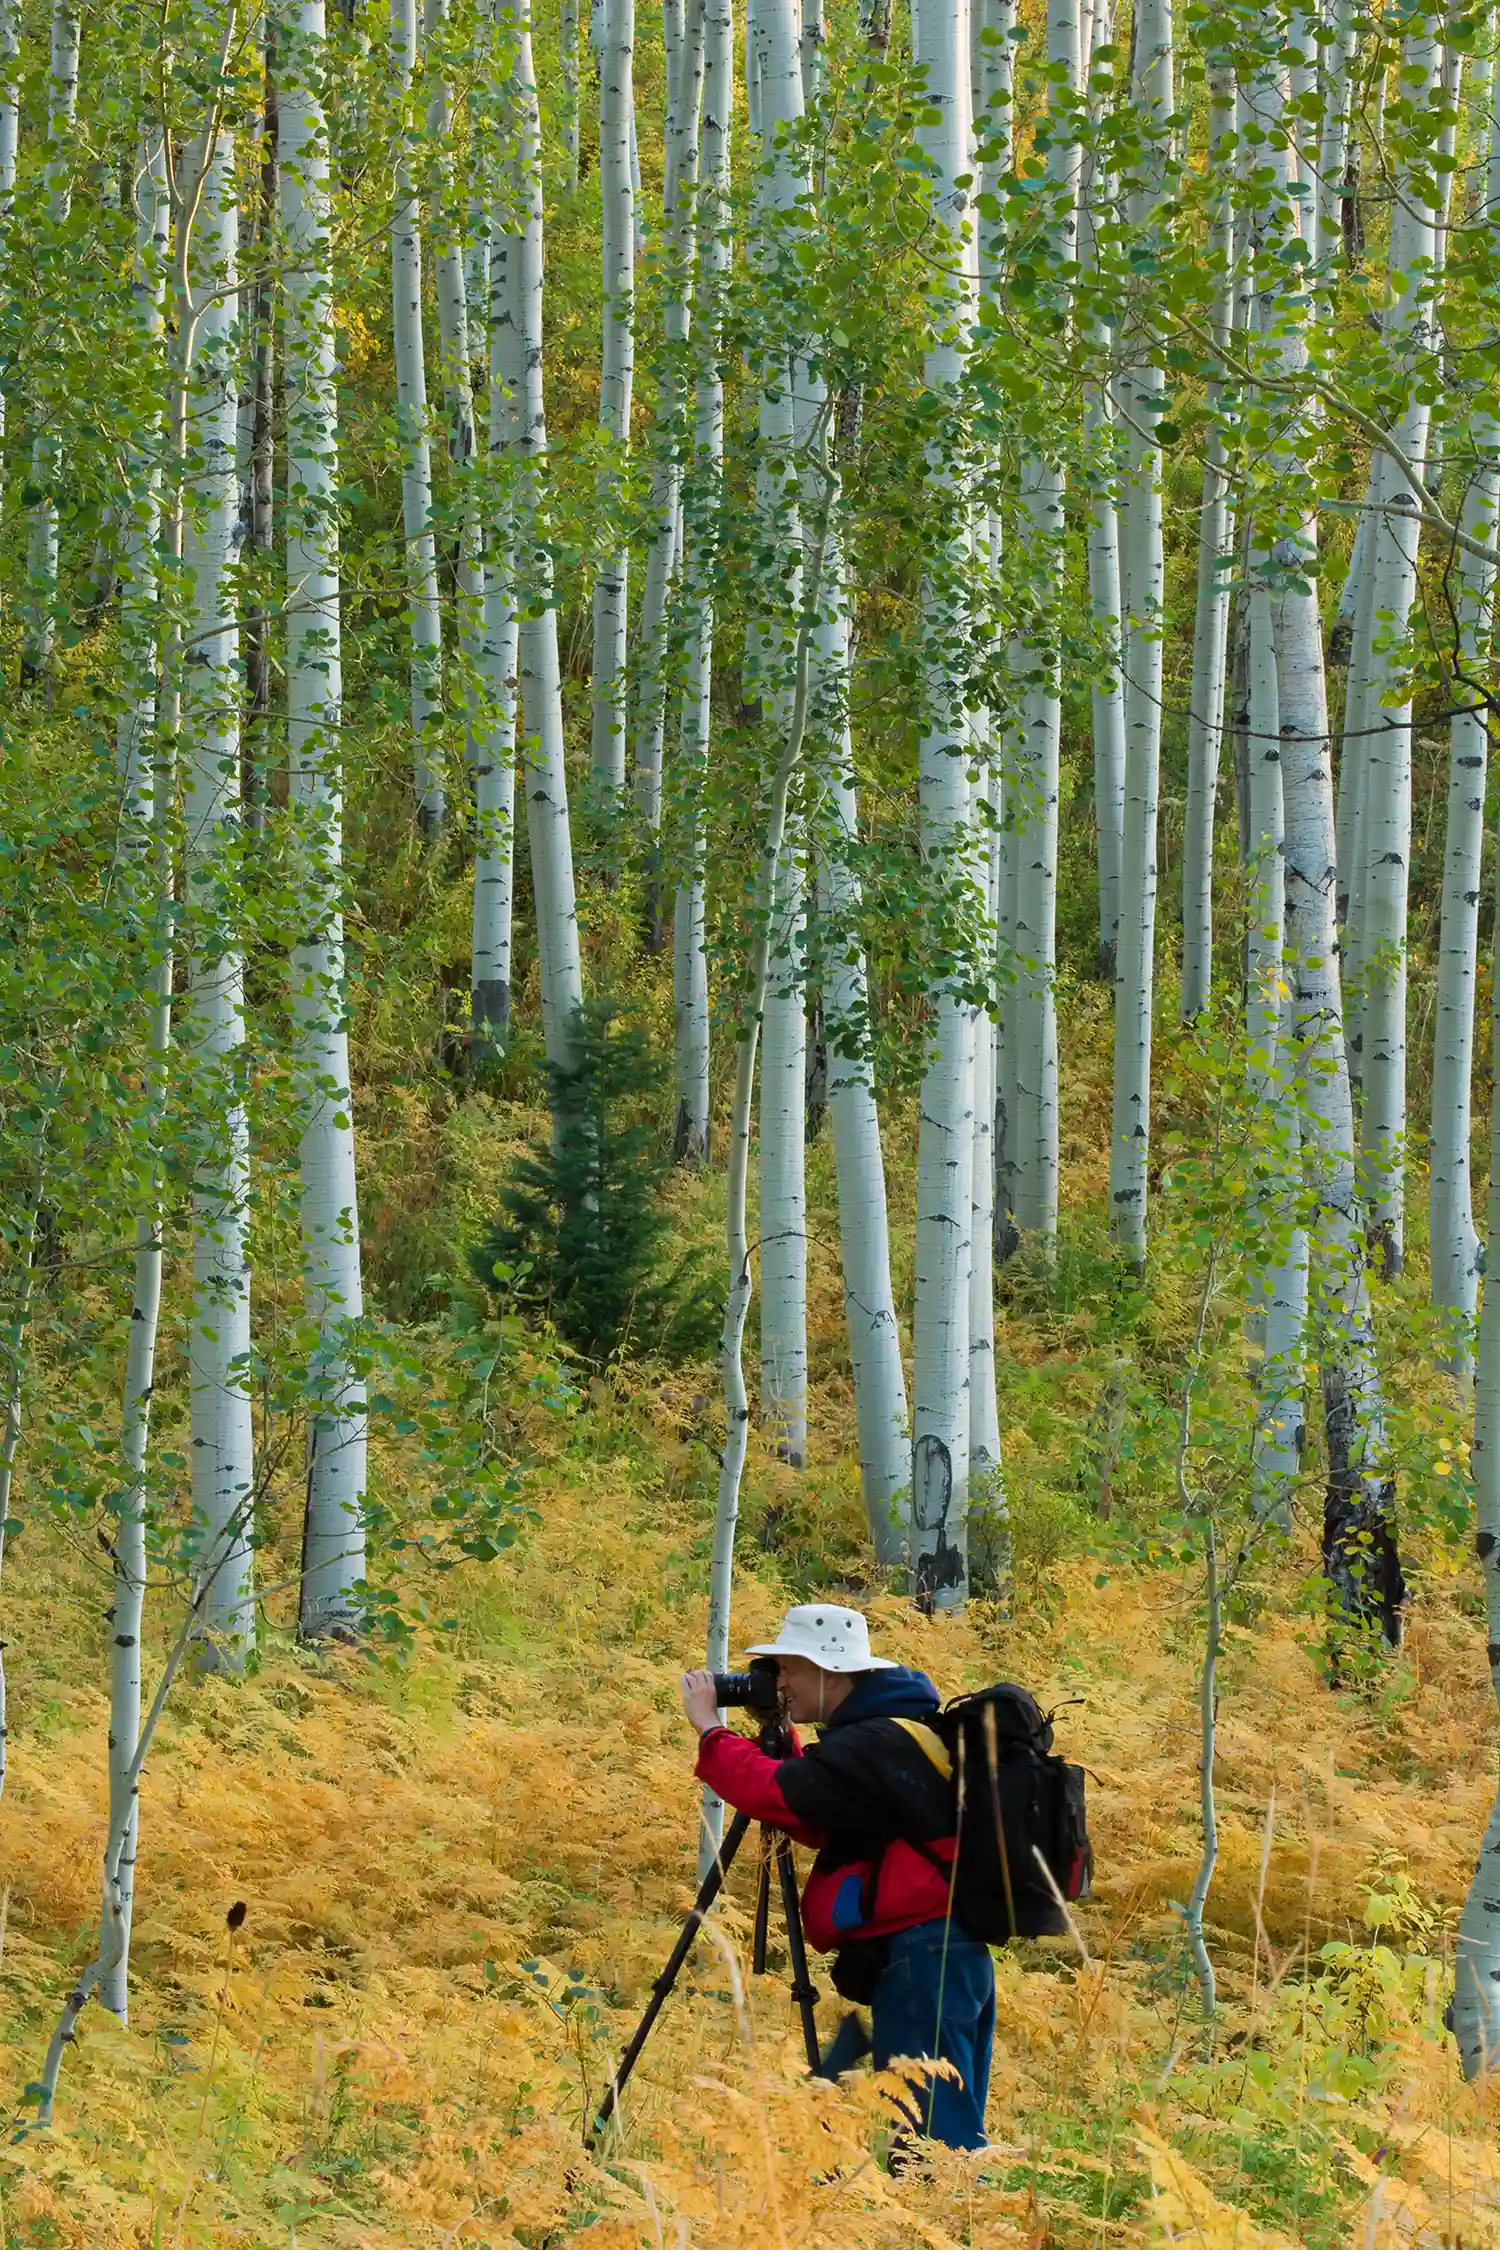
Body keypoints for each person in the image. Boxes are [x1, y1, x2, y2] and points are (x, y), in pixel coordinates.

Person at [681, 1603, 995, 2151]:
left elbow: (776, 1794)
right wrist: (782, 1741)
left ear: (829, 1672)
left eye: (786, 1670)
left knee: (935, 2146)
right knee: (934, 2136)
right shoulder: (886, 1733)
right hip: (937, 1956)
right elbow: (826, 1812)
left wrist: (712, 1730)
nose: (776, 1683)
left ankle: (960, 2231)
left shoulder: (876, 1742)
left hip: (927, 1962)